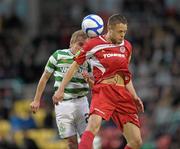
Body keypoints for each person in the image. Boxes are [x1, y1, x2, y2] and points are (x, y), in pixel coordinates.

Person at [53, 14, 144, 149]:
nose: (122, 35)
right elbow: (74, 66)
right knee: (93, 127)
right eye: (120, 31)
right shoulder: (93, 44)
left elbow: (126, 76)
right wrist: (61, 89)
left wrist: (135, 96)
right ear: (109, 29)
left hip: (122, 94)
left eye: (124, 31)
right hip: (104, 90)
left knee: (136, 142)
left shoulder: (127, 46)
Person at [30, 30, 91, 149]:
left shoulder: (88, 60)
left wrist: (89, 80)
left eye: (85, 45)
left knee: (86, 141)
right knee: (71, 143)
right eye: (80, 44)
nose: (82, 48)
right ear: (71, 43)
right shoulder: (58, 55)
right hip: (63, 104)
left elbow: (94, 84)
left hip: (81, 102)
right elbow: (44, 78)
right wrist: (36, 100)